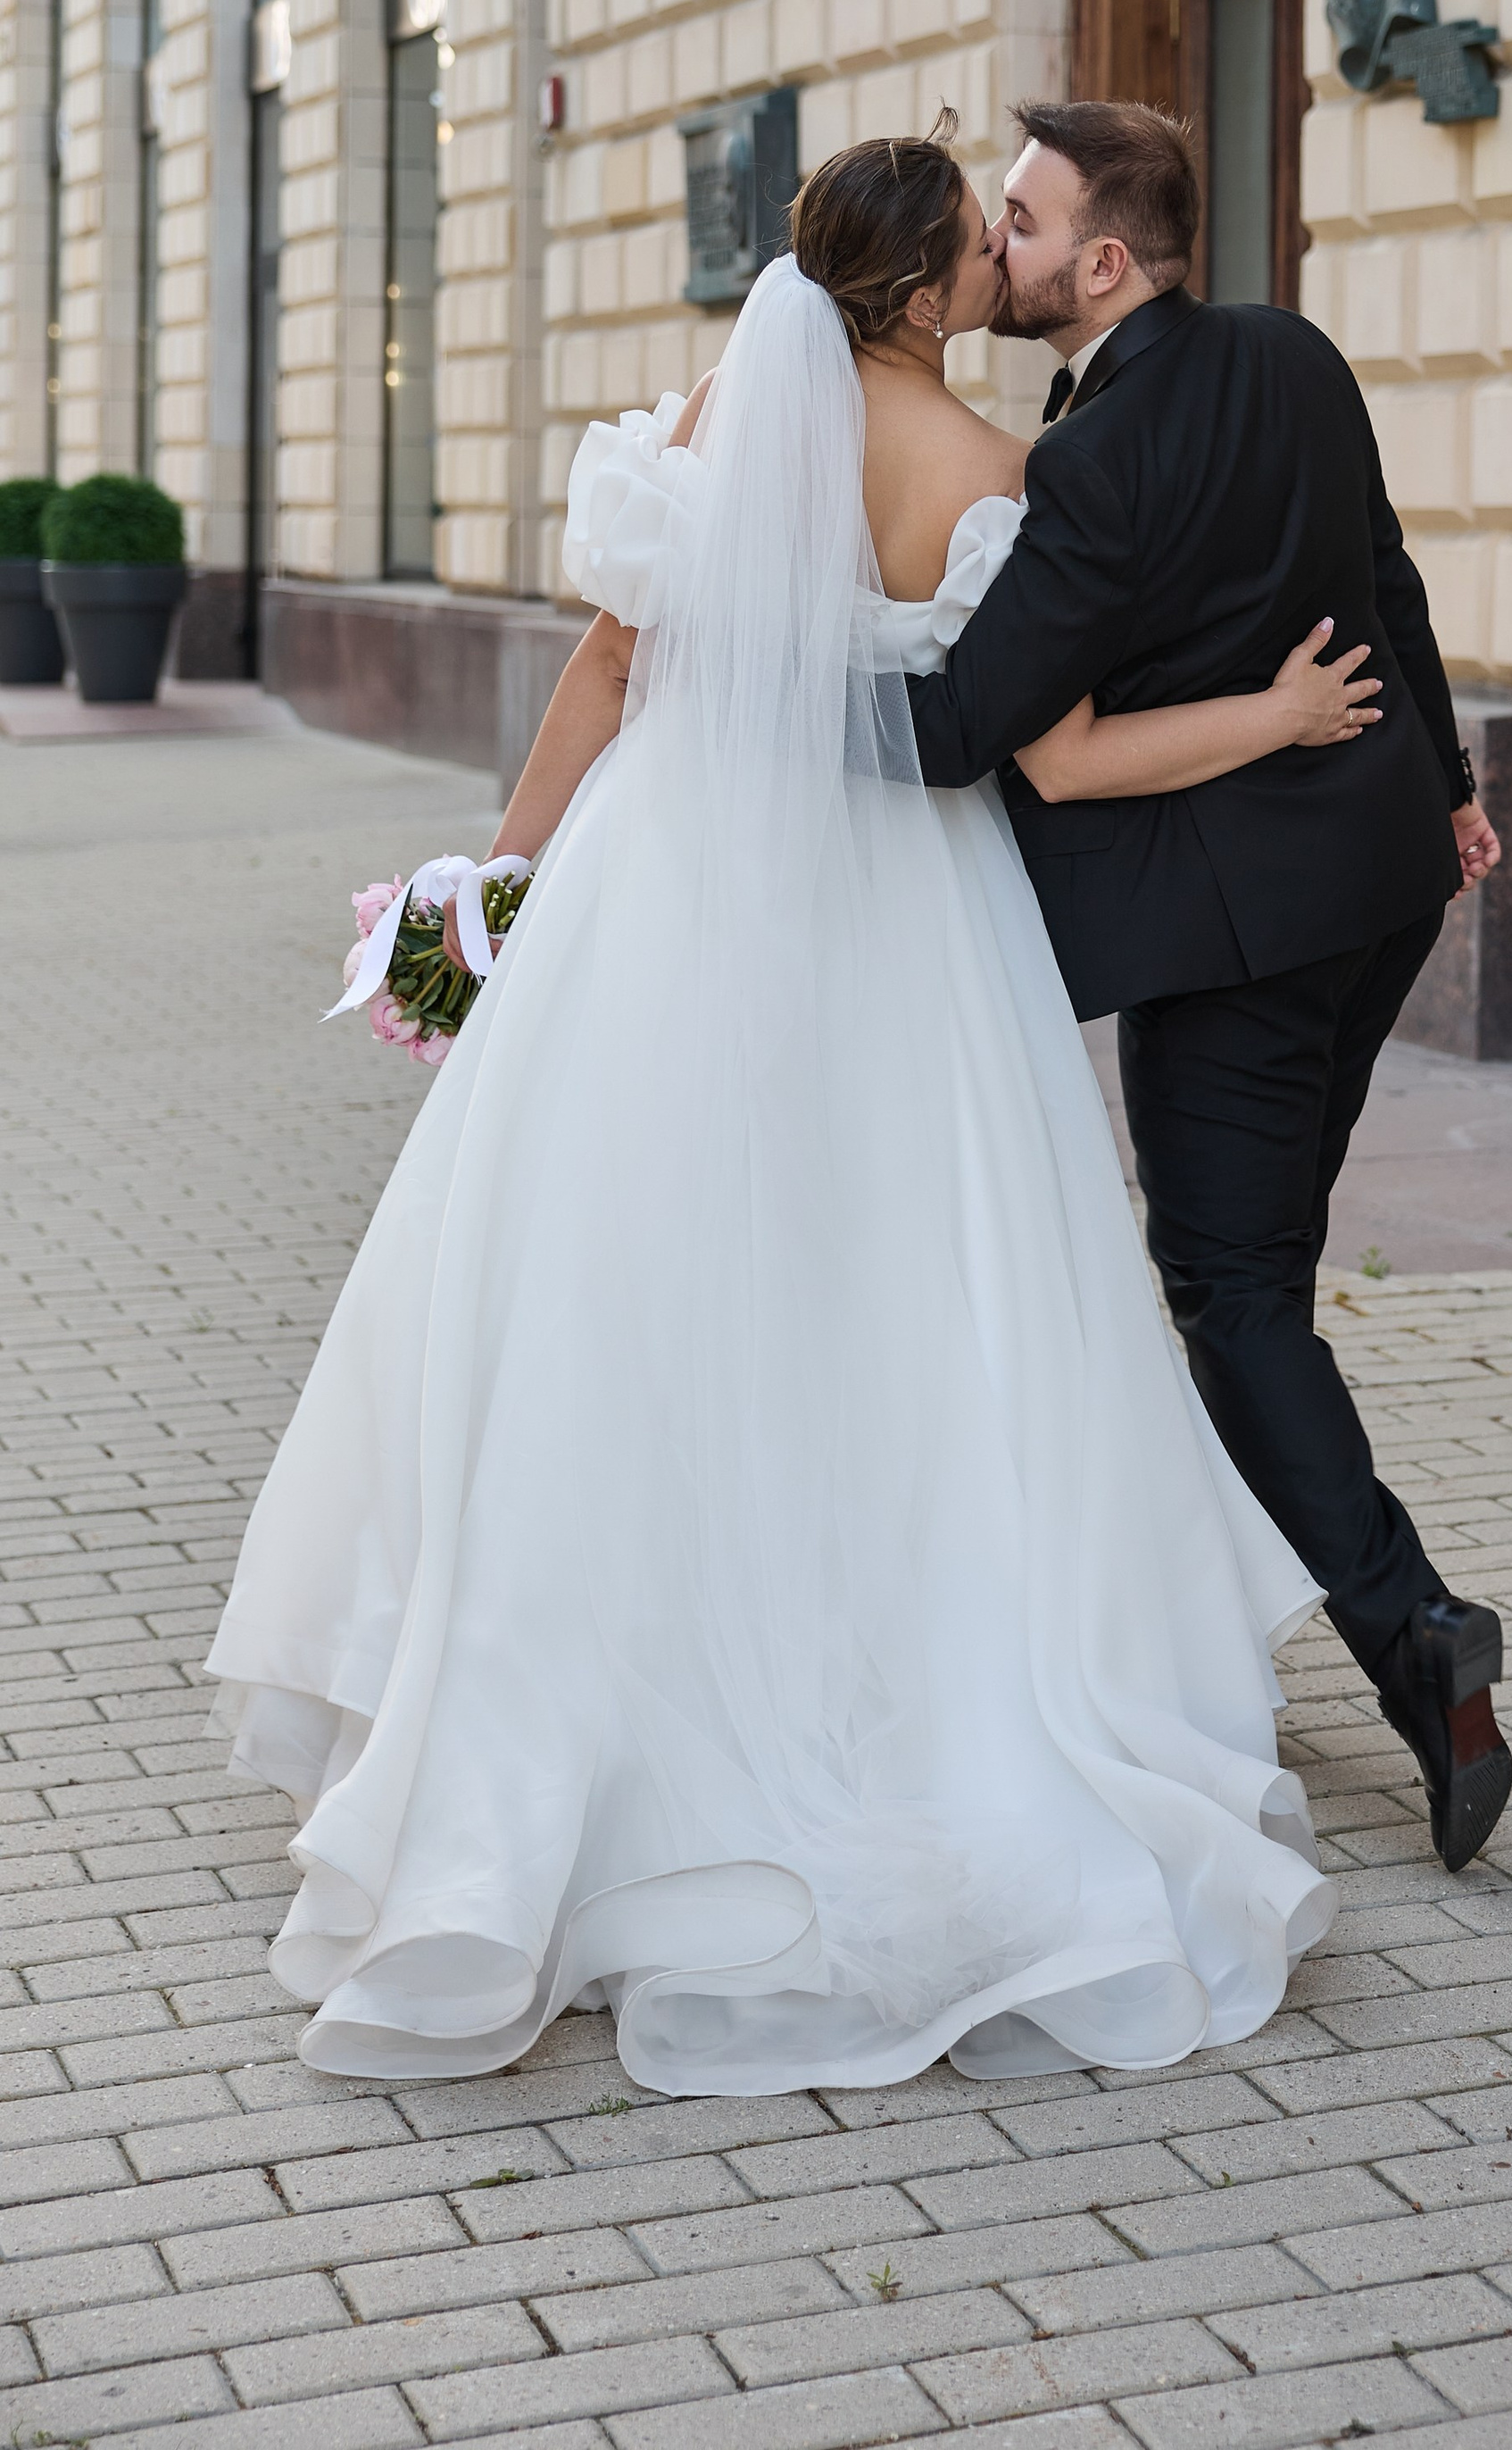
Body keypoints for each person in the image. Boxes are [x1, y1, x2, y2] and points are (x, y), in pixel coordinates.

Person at [205, 123, 1390, 2096]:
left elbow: (607, 662)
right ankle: (887, 1721)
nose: (1004, 269)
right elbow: (1065, 761)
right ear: (930, 289)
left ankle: (545, 1761)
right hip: (897, 925)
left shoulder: (711, 418)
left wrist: (492, 898)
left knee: (605, 1295)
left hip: (654, 902)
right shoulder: (988, 474)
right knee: (908, 1311)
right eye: (983, 245)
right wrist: (1273, 720)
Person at [902, 101, 1512, 1875]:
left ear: (1100, 261)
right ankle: (1218, 1625)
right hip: (1381, 877)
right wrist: (1454, 783)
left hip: (1234, 933)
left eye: (1014, 222)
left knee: (1232, 1295)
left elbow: (964, 725)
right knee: (1267, 1277)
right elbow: (1379, 567)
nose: (990, 246)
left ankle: (1421, 1642)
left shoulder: (1093, 461)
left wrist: (739, 694)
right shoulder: (1293, 354)